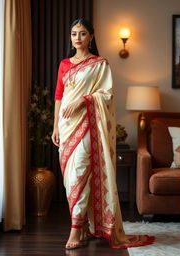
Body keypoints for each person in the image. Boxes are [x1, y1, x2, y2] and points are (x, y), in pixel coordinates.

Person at [51, 18, 155, 250]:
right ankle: (86, 227)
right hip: (67, 126)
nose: (78, 38)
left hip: (88, 124)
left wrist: (84, 99)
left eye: (83, 33)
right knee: (70, 180)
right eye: (74, 33)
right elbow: (59, 96)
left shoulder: (100, 64)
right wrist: (55, 126)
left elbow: (106, 94)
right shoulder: (64, 64)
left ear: (91, 37)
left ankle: (76, 229)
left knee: (80, 172)